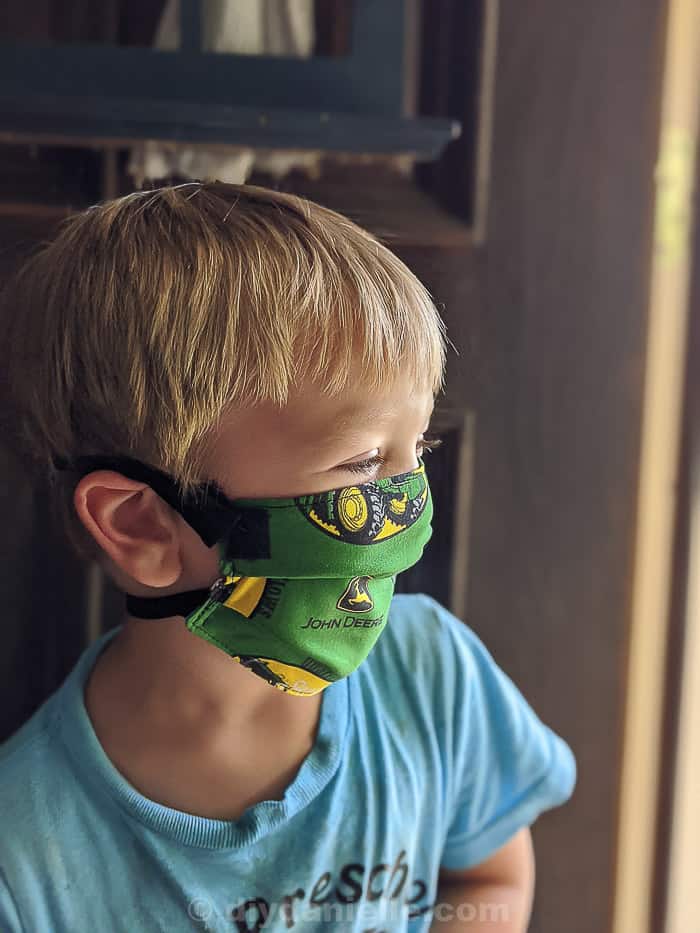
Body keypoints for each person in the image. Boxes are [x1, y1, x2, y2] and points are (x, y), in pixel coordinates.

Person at [0, 182, 576, 932]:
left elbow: (488, 870)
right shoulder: (25, 861)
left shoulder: (430, 676)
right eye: (365, 463)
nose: (408, 503)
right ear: (143, 524)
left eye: (420, 448)